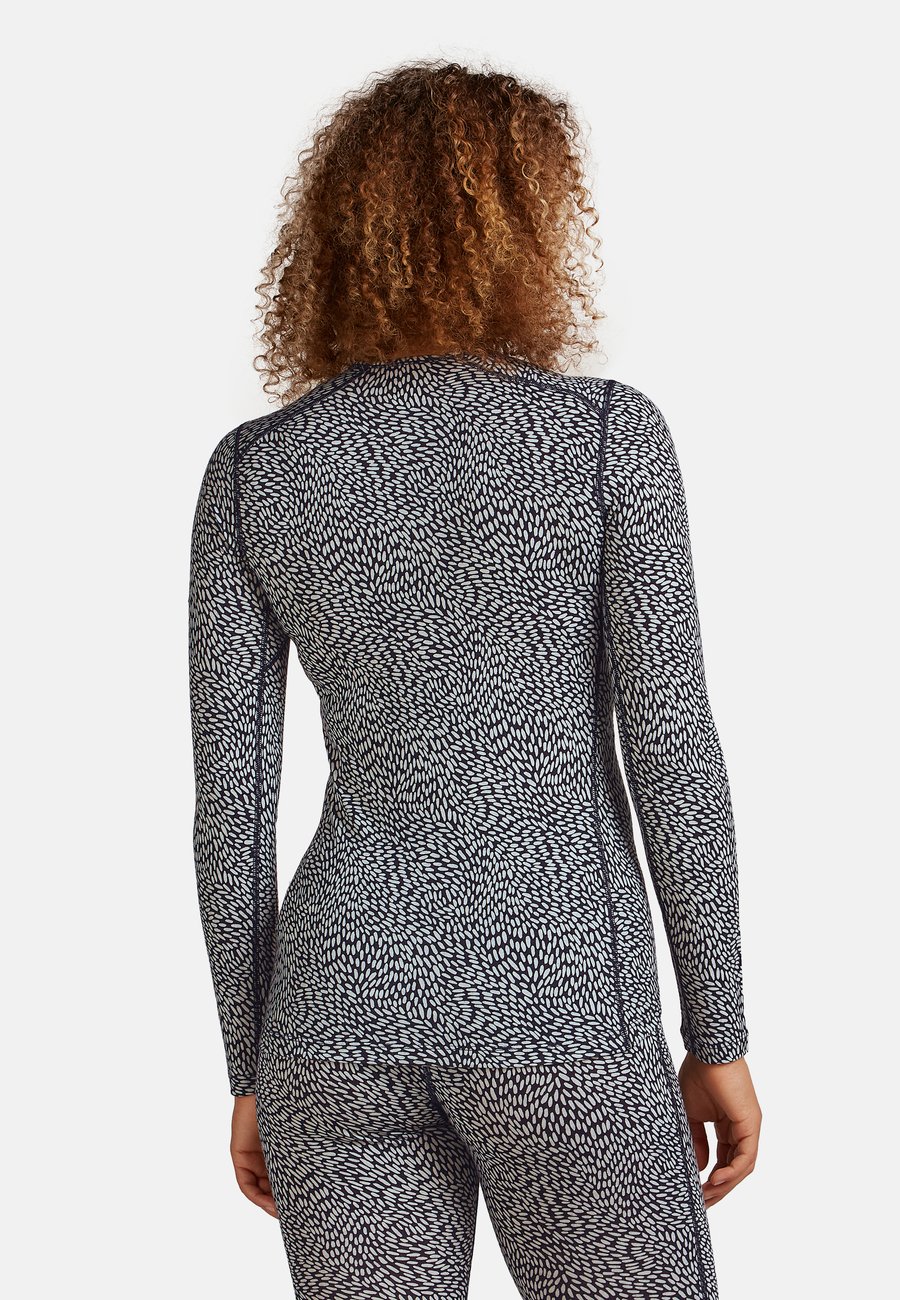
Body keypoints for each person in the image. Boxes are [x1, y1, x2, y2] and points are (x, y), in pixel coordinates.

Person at [188, 58, 762, 1300]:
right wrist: (716, 1030)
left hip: (334, 1017)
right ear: (527, 226)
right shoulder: (605, 439)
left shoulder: (252, 472)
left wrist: (249, 1063)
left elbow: (230, 812)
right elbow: (674, 752)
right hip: (567, 1008)